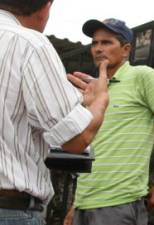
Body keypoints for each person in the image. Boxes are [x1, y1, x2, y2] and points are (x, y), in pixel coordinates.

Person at [63, 18, 154, 225]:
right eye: (95, 43)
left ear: (126, 49)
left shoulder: (142, 76)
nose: (98, 48)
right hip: (84, 204)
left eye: (107, 42)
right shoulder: (94, 92)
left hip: (120, 204)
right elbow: (96, 148)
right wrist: (76, 204)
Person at [0, 0, 109, 224]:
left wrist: (79, 106)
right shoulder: (30, 43)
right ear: (46, 6)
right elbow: (77, 139)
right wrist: (100, 100)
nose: (99, 48)